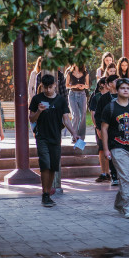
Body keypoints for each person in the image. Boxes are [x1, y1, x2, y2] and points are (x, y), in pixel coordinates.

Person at [29, 75, 79, 207]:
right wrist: (39, 111)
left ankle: (48, 192)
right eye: (45, 87)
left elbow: (66, 119)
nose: (48, 90)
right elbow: (31, 119)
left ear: (55, 85)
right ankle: (44, 194)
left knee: (52, 167)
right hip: (41, 137)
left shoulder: (61, 100)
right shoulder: (37, 99)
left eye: (50, 87)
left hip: (56, 137)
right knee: (45, 164)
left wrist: (74, 133)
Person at [101, 78, 129, 219]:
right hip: (117, 147)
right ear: (117, 90)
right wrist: (106, 148)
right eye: (122, 88)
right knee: (125, 178)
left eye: (128, 88)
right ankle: (128, 207)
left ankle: (118, 203)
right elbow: (104, 128)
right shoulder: (110, 108)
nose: (125, 90)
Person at [94, 75, 120, 185]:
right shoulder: (104, 98)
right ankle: (114, 175)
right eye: (115, 81)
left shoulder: (124, 95)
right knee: (112, 152)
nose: (118, 82)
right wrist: (100, 129)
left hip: (123, 129)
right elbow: (97, 115)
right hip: (109, 130)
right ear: (109, 84)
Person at [89, 77, 111, 183]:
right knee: (102, 149)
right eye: (105, 83)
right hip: (100, 126)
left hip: (111, 126)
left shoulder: (112, 96)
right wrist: (97, 127)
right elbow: (93, 113)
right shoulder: (96, 97)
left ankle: (110, 172)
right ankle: (104, 172)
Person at [66, 64, 89, 140]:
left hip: (82, 94)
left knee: (83, 115)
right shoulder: (69, 73)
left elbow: (87, 85)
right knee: (76, 115)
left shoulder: (85, 73)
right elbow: (67, 85)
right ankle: (74, 135)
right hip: (72, 94)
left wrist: (84, 86)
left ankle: (81, 136)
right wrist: (74, 86)